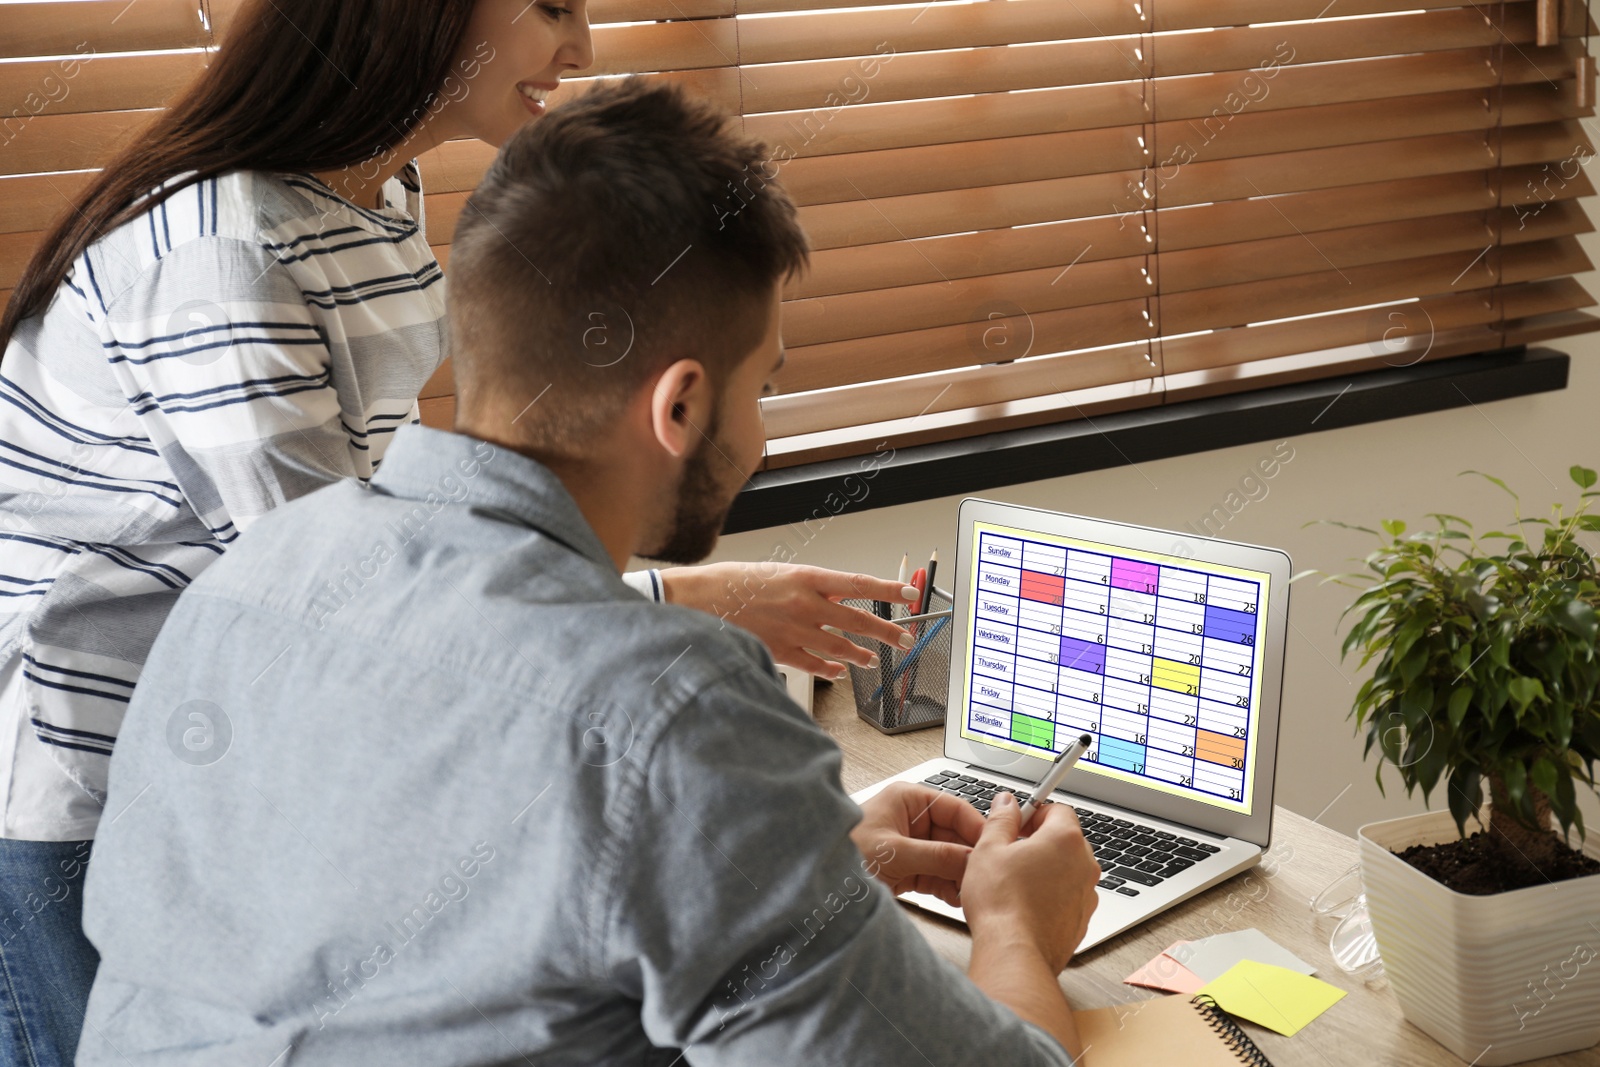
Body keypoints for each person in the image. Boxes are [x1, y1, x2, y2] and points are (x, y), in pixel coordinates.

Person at [77, 79, 1102, 1065]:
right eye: (764, 385)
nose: (758, 433)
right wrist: (1017, 922)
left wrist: (790, 875)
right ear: (680, 407)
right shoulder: (674, 710)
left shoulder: (249, 582)